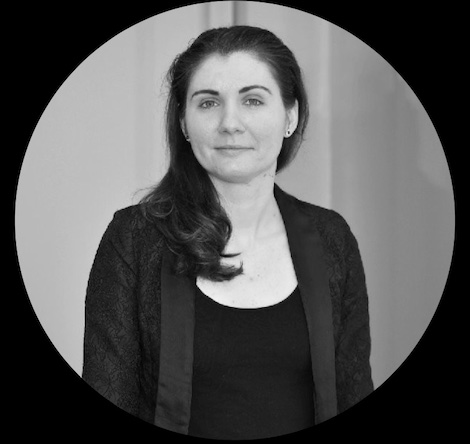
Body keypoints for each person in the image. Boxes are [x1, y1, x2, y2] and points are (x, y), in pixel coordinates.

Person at [82, 25, 373, 439]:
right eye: (208, 102)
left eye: (253, 100)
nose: (230, 123)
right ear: (183, 121)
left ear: (290, 116)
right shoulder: (132, 239)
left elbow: (353, 393)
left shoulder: (333, 239)